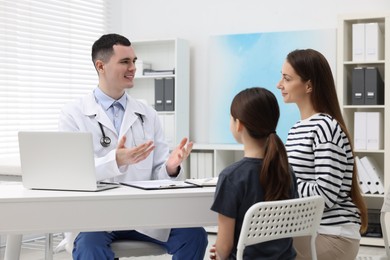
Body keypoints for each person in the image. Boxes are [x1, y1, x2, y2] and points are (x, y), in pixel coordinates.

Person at [58, 33, 208, 260]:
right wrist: (116, 160)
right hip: (97, 217)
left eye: (134, 61)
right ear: (101, 66)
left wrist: (170, 167)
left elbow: (159, 173)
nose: (133, 68)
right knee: (89, 248)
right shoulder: (73, 114)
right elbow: (73, 174)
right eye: (125, 62)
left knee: (194, 235)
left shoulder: (148, 114)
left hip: (143, 214)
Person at [277, 48, 368, 260]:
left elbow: (324, 196)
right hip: (311, 230)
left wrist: (283, 181)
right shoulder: (296, 129)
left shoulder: (325, 127)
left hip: (333, 235)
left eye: (287, 79)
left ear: (309, 85)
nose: (279, 85)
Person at [209, 87, 298, 260]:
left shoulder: (231, 177)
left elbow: (223, 247)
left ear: (239, 124)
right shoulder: (287, 172)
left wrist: (220, 253)